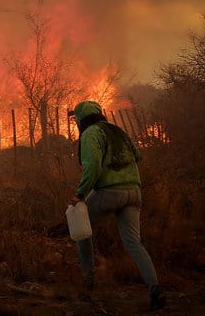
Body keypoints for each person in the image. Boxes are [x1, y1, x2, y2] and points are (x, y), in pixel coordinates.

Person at [69, 100, 165, 311]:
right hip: (134, 192)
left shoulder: (90, 134)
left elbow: (92, 166)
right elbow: (138, 155)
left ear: (82, 118)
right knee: (134, 242)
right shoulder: (117, 131)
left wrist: (80, 194)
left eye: (76, 119)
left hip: (110, 192)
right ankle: (155, 289)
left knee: (82, 228)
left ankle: (88, 283)